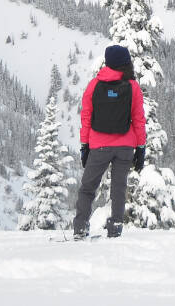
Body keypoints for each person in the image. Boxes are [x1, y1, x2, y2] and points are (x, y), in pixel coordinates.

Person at [72, 44, 146, 239]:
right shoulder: (132, 87)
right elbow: (138, 119)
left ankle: (80, 228)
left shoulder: (94, 85)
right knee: (119, 189)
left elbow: (86, 117)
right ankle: (115, 229)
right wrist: (140, 147)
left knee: (88, 188)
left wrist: (84, 146)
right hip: (125, 147)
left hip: (99, 145)